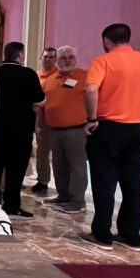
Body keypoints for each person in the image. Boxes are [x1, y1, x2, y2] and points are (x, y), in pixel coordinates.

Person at [79, 23, 140, 251]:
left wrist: (92, 117)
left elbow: (90, 89)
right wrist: (138, 96)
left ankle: (102, 234)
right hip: (137, 129)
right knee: (132, 182)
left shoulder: (103, 61)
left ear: (106, 41)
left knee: (104, 180)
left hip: (108, 127)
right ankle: (131, 236)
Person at [0, 42, 45, 219]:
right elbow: (40, 101)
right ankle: (12, 205)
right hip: (20, 131)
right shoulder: (28, 74)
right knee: (15, 171)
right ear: (20, 55)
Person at [41, 46, 88, 214]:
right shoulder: (51, 79)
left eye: (70, 57)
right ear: (57, 60)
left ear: (75, 59)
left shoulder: (85, 77)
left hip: (77, 130)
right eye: (63, 58)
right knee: (58, 164)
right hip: (54, 129)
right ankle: (63, 195)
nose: (67, 60)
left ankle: (77, 201)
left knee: (77, 166)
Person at [32, 47, 58, 193]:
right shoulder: (35, 76)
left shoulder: (61, 76)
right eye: (45, 57)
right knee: (42, 152)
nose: (48, 59)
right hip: (41, 119)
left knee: (59, 154)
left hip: (58, 120)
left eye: (51, 57)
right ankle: (42, 180)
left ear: (55, 59)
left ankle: (62, 185)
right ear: (41, 58)